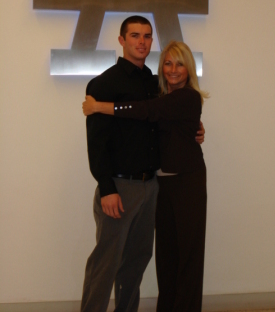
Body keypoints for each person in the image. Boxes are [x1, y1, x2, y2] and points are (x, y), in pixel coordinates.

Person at [80, 16, 204, 312]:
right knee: (105, 264)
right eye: (135, 35)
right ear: (122, 40)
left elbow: (164, 114)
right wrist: (106, 187)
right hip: (119, 188)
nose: (142, 42)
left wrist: (196, 128)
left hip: (152, 188)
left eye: (147, 36)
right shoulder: (103, 84)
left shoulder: (155, 84)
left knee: (136, 263)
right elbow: (96, 145)